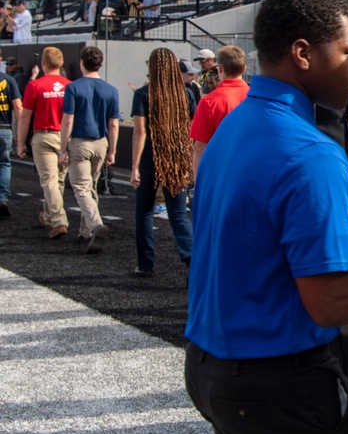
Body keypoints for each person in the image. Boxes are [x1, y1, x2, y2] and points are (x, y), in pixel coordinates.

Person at [130, 48, 194, 276]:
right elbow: (192, 129)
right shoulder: (186, 94)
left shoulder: (142, 94)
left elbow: (140, 133)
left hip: (150, 157)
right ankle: (191, 258)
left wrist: (135, 166)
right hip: (177, 157)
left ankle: (146, 264)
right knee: (177, 213)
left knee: (144, 212)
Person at [59, 46, 119, 254]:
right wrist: (112, 150)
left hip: (80, 142)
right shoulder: (111, 90)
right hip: (100, 143)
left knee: (82, 188)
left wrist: (62, 148)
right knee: (91, 187)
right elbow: (113, 123)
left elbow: (68, 120)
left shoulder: (74, 88)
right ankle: (85, 231)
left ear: (82, 63)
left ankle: (94, 225)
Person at [17, 47, 68, 239]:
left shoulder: (35, 86)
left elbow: (24, 117)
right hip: (64, 137)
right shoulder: (69, 85)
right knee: (59, 180)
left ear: (43, 64)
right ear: (61, 63)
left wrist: (20, 143)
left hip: (43, 136)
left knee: (49, 180)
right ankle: (49, 215)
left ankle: (58, 219)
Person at [190, 45, 249, 183]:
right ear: (244, 69)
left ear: (220, 68)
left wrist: (199, 183)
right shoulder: (258, 99)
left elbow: (200, 148)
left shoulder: (209, 102)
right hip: (252, 175)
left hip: (220, 176)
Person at [0, 61, 22, 218]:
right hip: (4, 128)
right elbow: (18, 107)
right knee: (4, 164)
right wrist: (20, 133)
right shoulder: (9, 80)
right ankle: (2, 198)